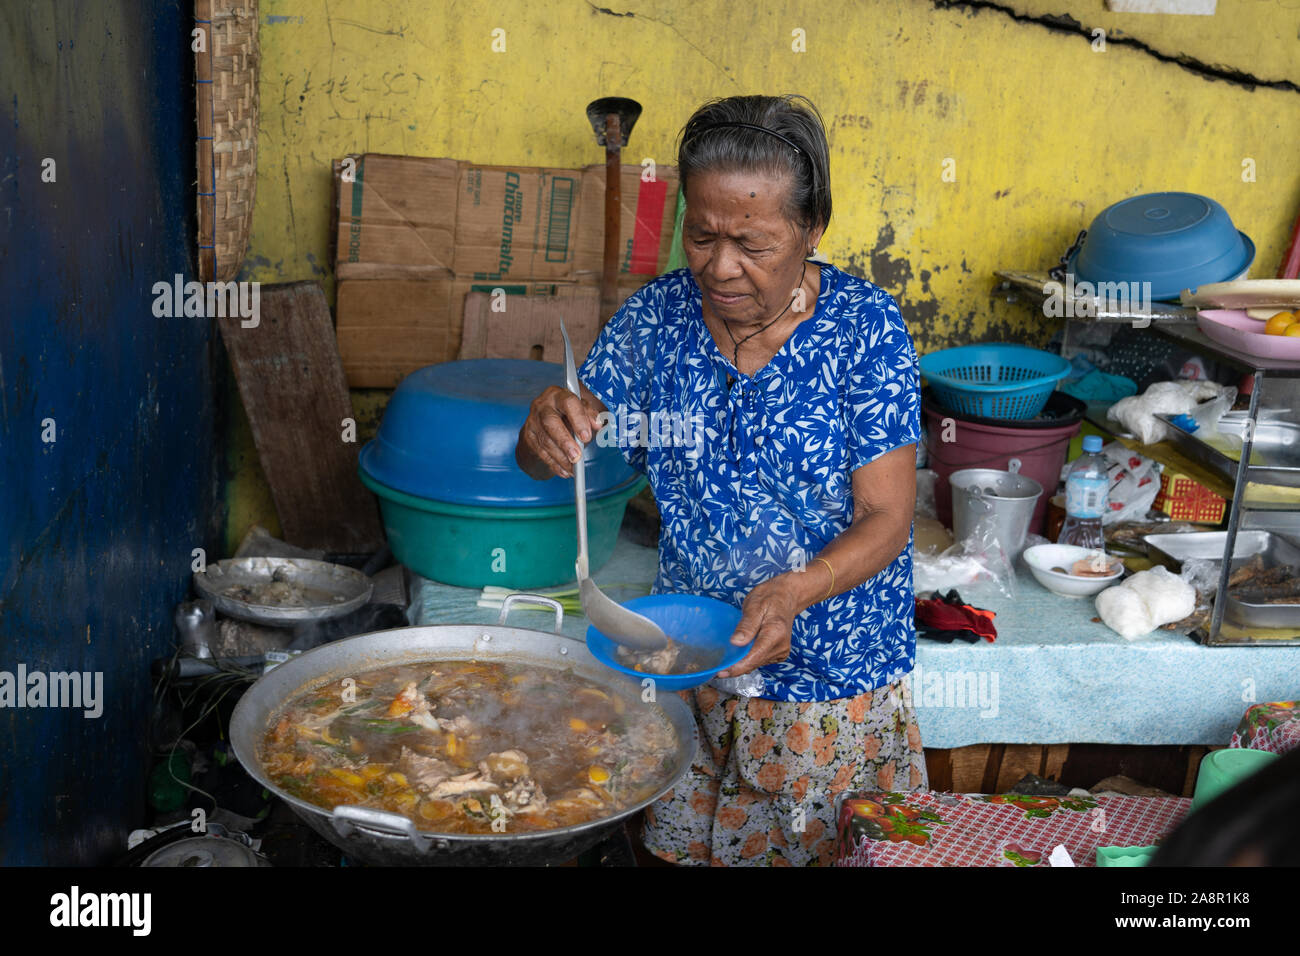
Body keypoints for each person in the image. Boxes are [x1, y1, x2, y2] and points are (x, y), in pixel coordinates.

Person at [516, 93, 926, 865]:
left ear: (812, 230)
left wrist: (793, 590)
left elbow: (887, 517)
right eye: (700, 236)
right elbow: (558, 458)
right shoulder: (656, 320)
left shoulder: (864, 330)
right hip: (687, 660)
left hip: (825, 682)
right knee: (673, 855)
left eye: (752, 243)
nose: (720, 266)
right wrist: (542, 435)